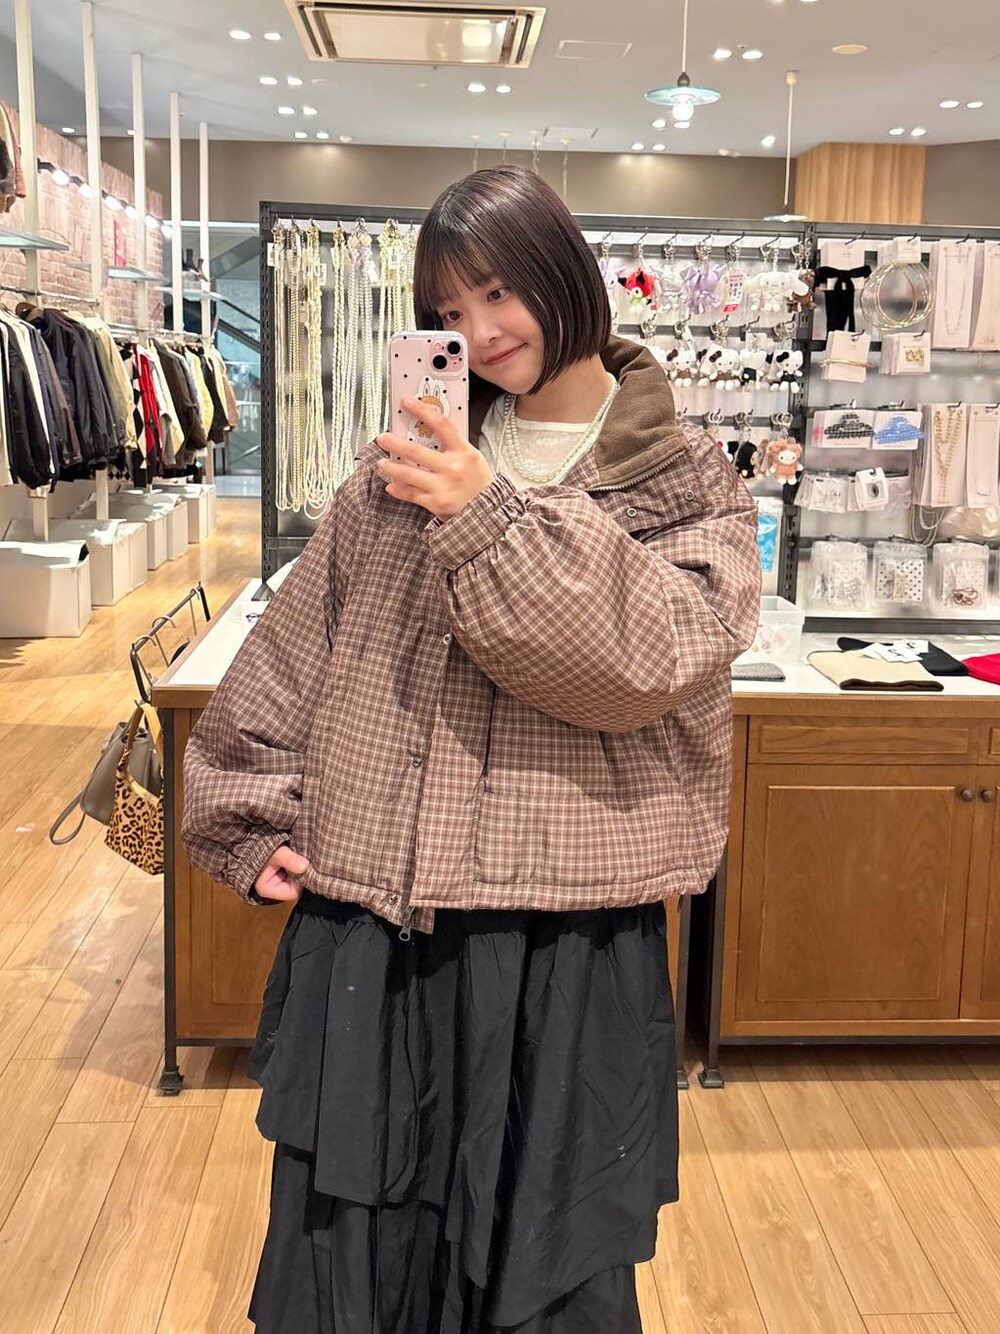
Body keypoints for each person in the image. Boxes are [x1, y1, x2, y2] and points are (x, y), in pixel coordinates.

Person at [182, 165, 761, 1333]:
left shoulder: (677, 470)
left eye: (499, 292)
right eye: (448, 309)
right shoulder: (408, 462)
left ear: (563, 273)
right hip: (378, 914)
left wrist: (486, 514)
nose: (480, 331)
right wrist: (245, 805)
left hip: (567, 933)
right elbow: (308, 638)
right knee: (355, 1244)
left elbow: (650, 659)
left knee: (542, 1250)